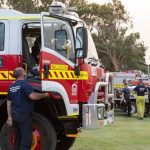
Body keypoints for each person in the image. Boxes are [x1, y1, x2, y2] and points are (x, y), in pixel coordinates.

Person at [7, 67, 49, 150]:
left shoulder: (11, 86)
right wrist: (45, 95)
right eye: (24, 72)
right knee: (27, 140)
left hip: (15, 116)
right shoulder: (24, 84)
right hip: (24, 116)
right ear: (23, 74)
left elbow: (9, 103)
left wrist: (9, 117)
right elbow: (32, 96)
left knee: (18, 139)